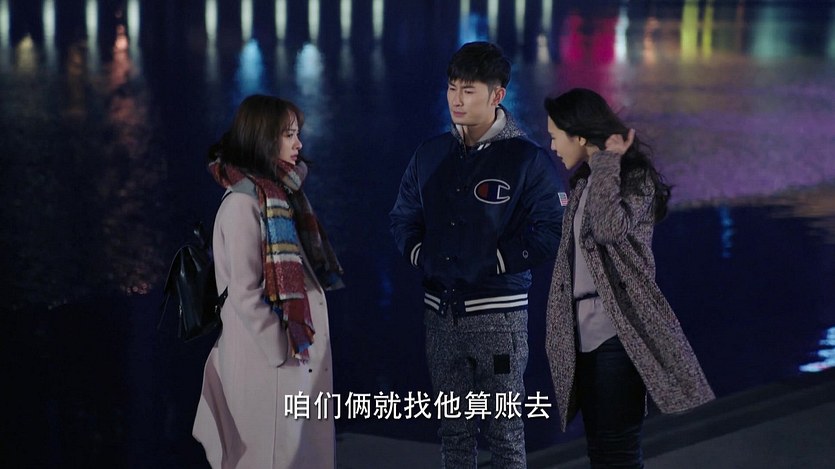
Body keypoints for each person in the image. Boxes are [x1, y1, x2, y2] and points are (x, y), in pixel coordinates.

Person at [390, 41, 566, 468]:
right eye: (452, 88)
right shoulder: (430, 154)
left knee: (505, 434)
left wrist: (496, 262)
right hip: (440, 315)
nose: (457, 99)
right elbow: (402, 218)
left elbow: (551, 230)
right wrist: (422, 256)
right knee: (453, 434)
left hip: (499, 318)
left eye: (468, 90)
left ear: (496, 95)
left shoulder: (526, 159)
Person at [543, 88, 715, 468]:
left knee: (618, 451)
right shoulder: (584, 184)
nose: (552, 146)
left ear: (580, 136)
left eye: (555, 136)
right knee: (601, 452)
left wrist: (607, 162)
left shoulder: (632, 178)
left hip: (617, 334)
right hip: (582, 336)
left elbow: (609, 229)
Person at [192, 94, 345, 469]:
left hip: (289, 360)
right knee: (272, 456)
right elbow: (245, 292)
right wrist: (279, 347)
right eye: (289, 134)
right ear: (263, 138)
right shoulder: (243, 204)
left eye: (297, 133)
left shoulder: (278, 196)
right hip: (267, 363)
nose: (299, 144)